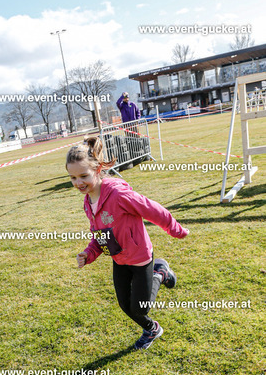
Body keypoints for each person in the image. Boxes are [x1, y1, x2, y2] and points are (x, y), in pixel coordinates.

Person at [66, 136, 189, 350]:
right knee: (125, 305)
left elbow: (153, 210)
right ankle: (152, 329)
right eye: (73, 177)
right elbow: (99, 235)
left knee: (140, 307)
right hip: (119, 259)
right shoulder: (88, 202)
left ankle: (160, 272)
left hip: (140, 257)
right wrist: (89, 253)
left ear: (98, 169)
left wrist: (175, 229)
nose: (78, 182)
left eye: (83, 175)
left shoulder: (118, 194)